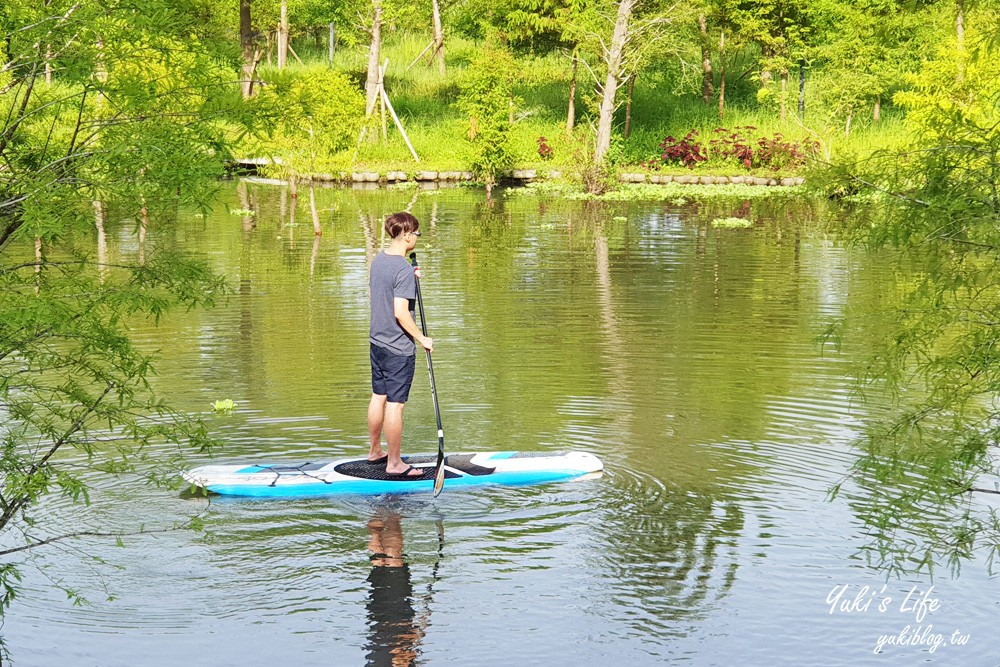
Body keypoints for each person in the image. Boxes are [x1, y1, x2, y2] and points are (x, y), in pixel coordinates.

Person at [367, 211, 433, 477]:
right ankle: (394, 463)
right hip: (398, 347)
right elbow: (400, 313)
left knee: (378, 397)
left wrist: (410, 281)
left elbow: (385, 290)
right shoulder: (403, 269)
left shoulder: (379, 261)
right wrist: (422, 338)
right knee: (396, 404)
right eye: (416, 233)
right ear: (406, 235)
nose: (417, 238)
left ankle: (375, 452)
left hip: (377, 342)